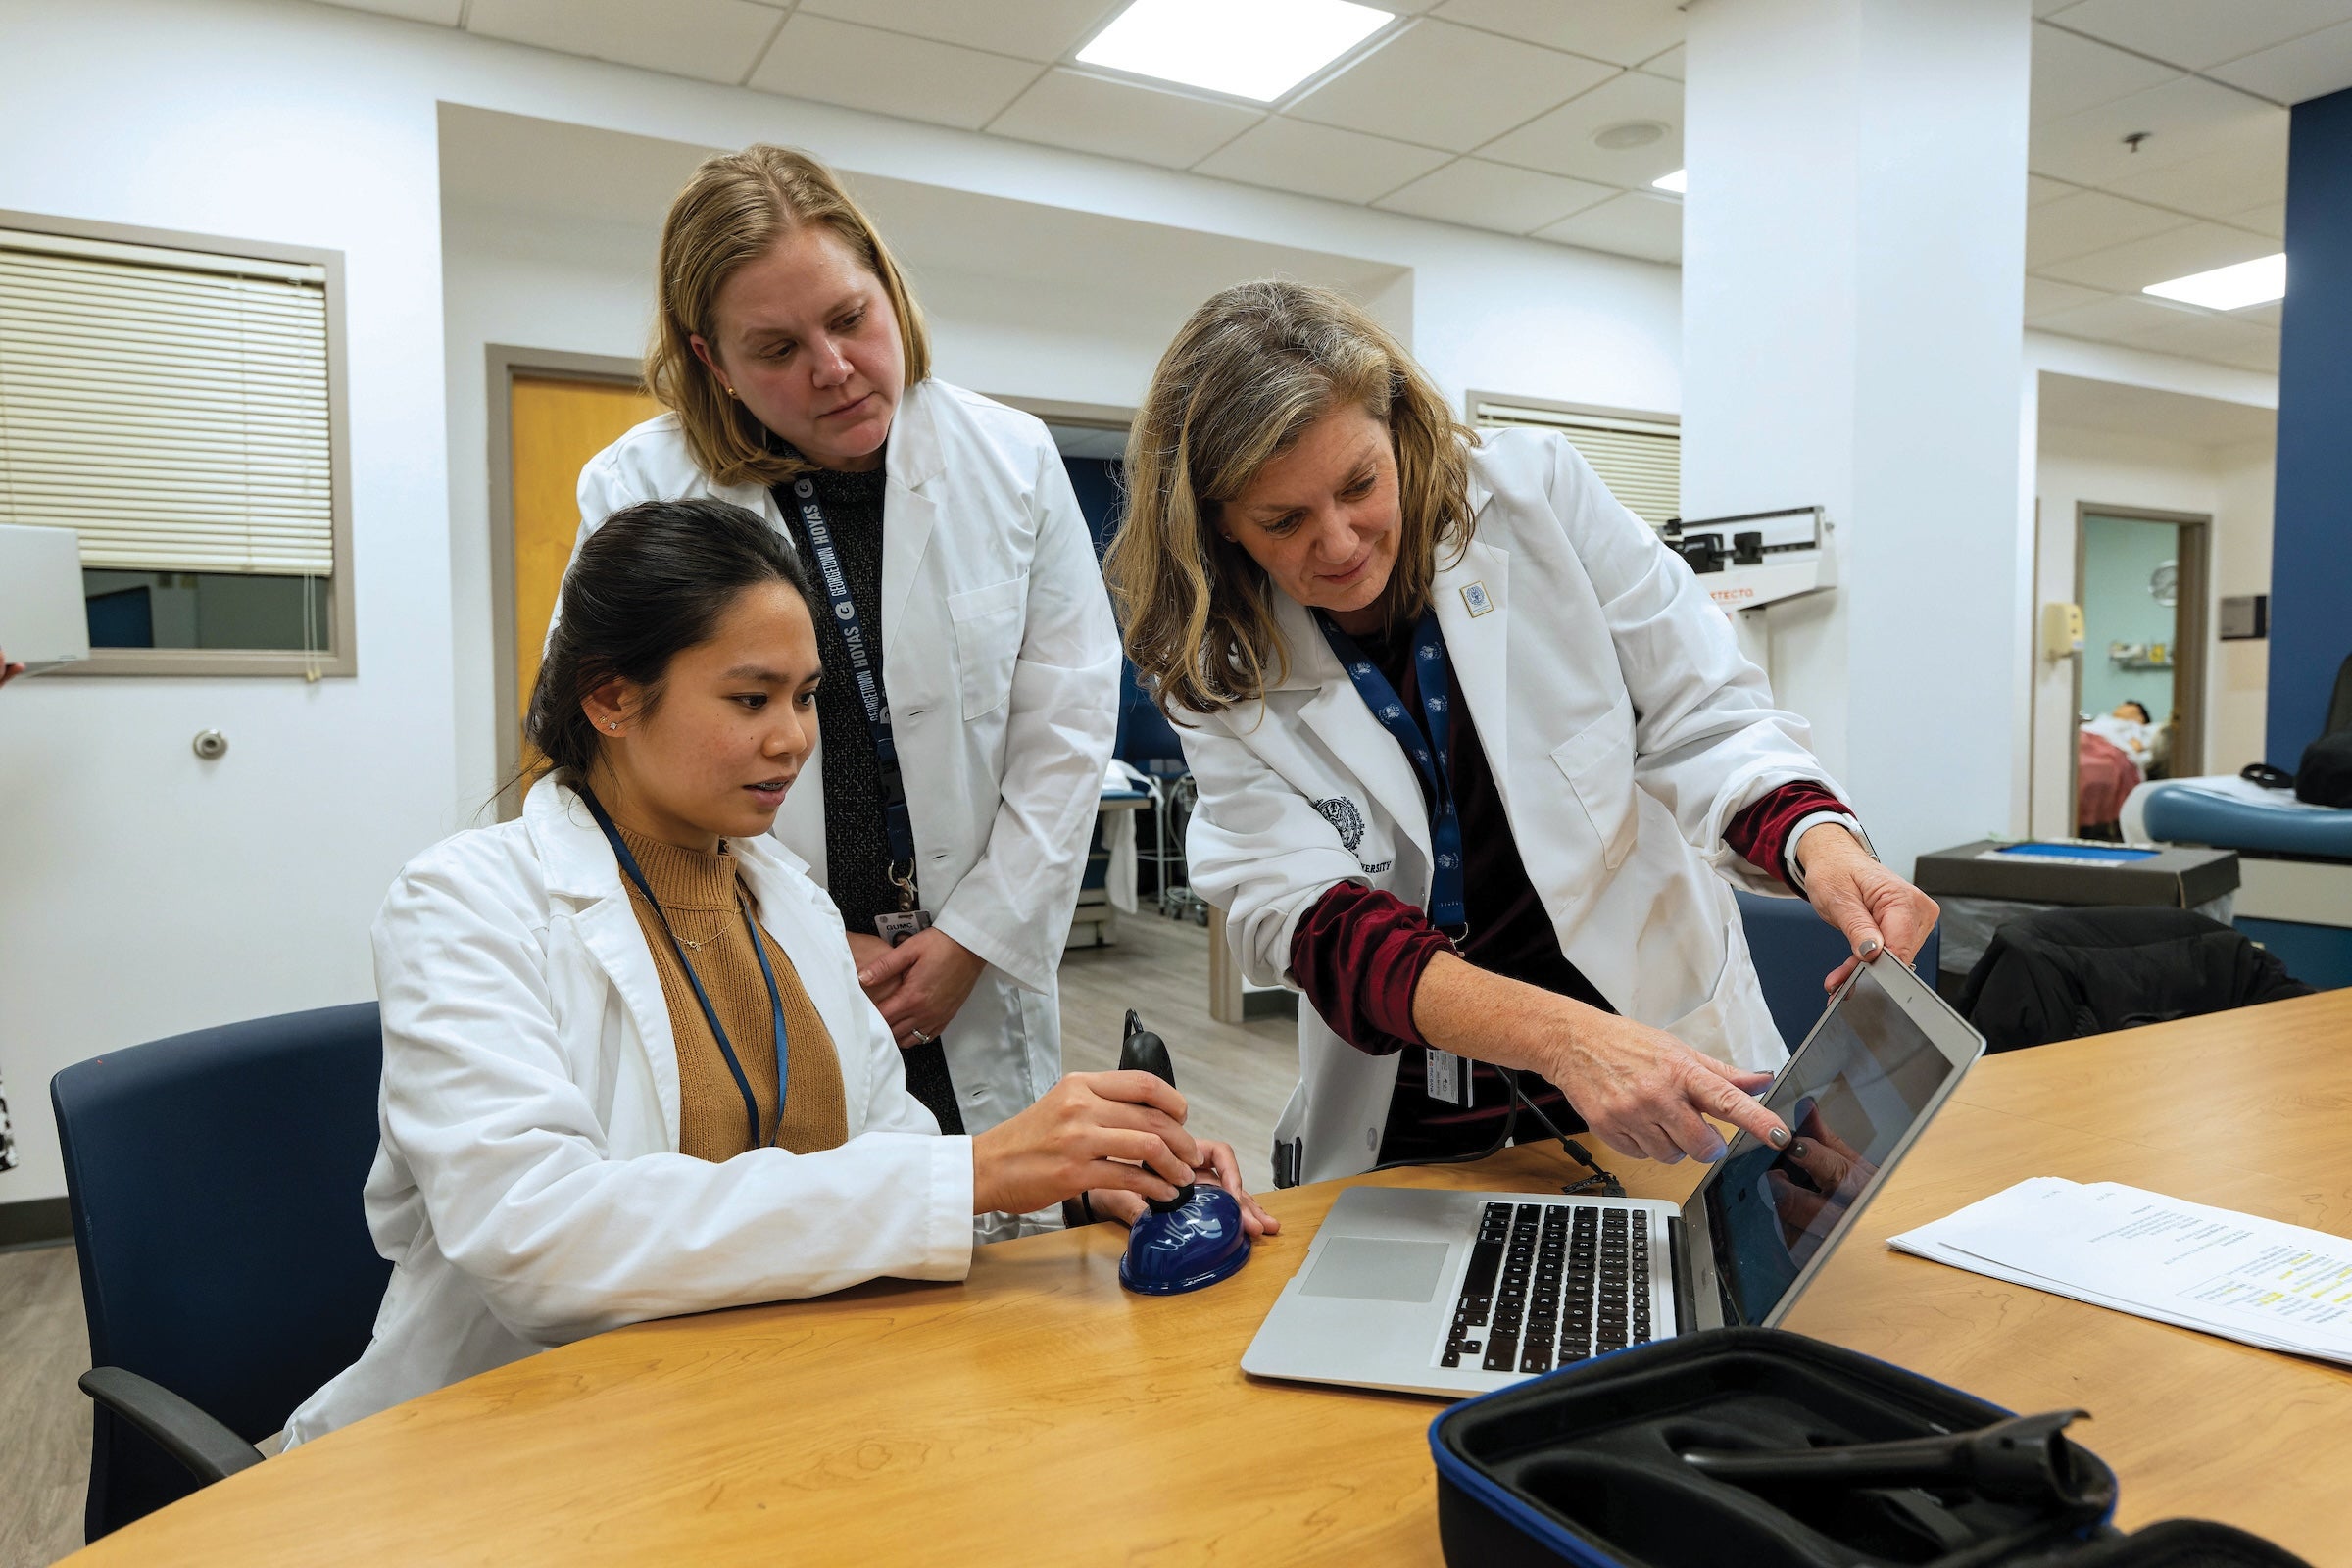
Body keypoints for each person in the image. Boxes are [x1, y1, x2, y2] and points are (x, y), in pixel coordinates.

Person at [285, 499, 1269, 1444]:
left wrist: (1073, 1182)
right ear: (610, 696)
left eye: (804, 697)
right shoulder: (464, 903)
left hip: (778, 1414)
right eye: (750, 698)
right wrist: (979, 1169)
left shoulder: (789, 903)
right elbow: (542, 1241)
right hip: (526, 1445)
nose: (793, 737)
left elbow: (889, 1172)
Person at [1104, 281, 1940, 1186]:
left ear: (1397, 431)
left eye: (1360, 485)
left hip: (1660, 1053)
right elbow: (1310, 922)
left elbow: (1704, 714)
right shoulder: (1214, 656)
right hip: (1420, 1103)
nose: (1341, 542)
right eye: (1284, 520)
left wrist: (1822, 846)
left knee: (1711, 1293)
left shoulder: (1535, 500)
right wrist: (1564, 1041)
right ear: (1218, 526)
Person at [567, 145, 1119, 1196]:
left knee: (979, 1247)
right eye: (775, 347)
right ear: (712, 358)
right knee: (800, 1249)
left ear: (889, 289)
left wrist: (972, 938)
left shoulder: (1012, 460)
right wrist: (805, 945)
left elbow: (1068, 732)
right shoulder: (637, 489)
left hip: (970, 974)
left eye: (851, 319)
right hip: (751, 960)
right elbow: (612, 762)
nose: (833, 368)